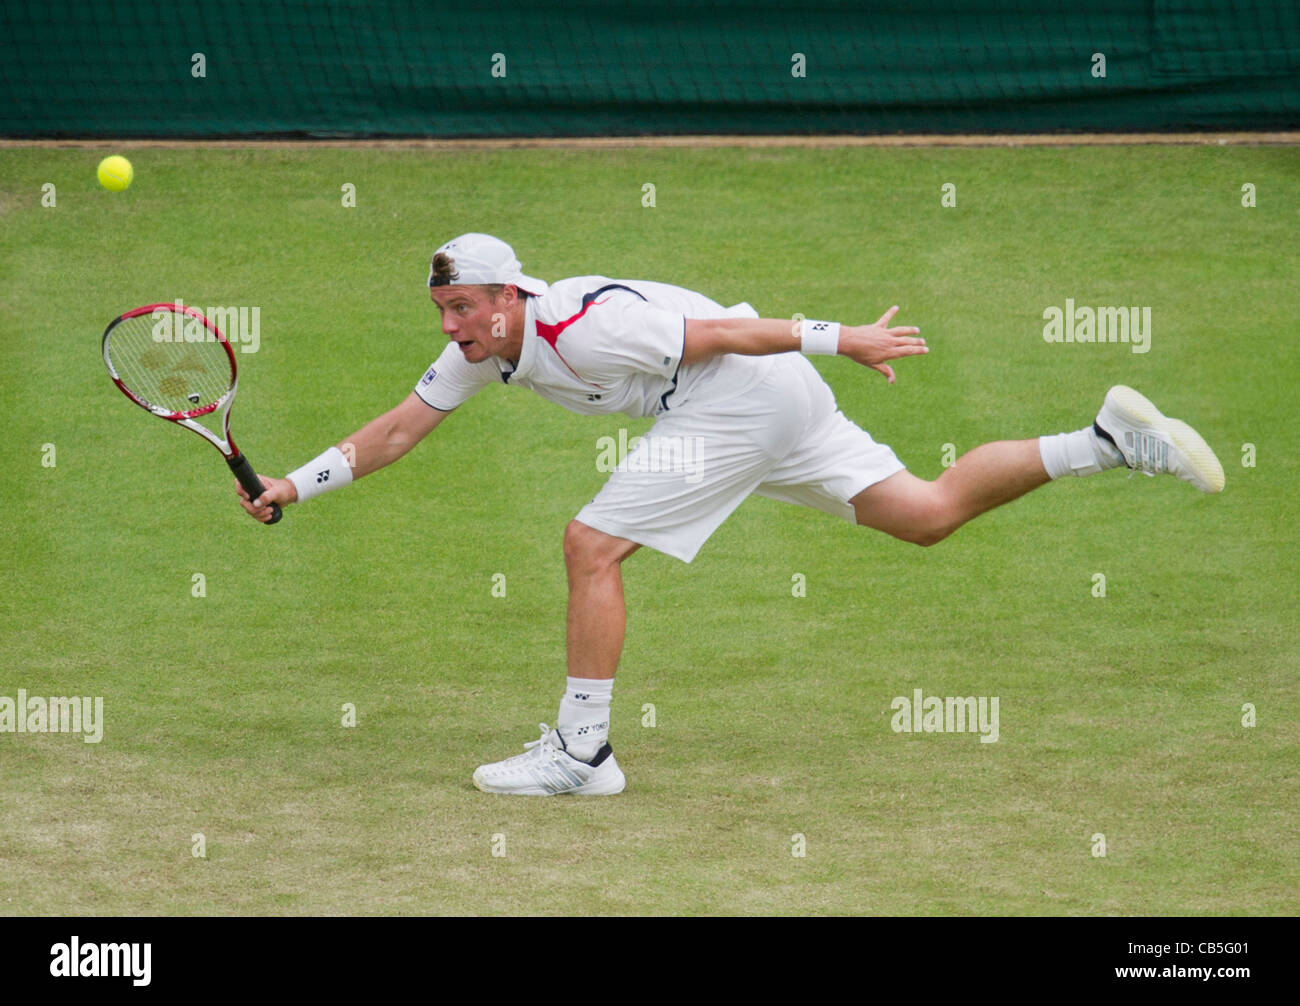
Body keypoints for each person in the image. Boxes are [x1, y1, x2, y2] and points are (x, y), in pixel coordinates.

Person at [237, 232, 1225, 797]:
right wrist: (291, 481)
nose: (454, 329)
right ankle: (1103, 441)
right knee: (921, 513)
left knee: (591, 543)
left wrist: (843, 338)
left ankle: (582, 752)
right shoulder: (481, 350)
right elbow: (400, 430)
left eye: (465, 308)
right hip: (769, 400)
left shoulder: (585, 318)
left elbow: (718, 332)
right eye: (443, 313)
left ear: (508, 292)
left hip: (743, 392)